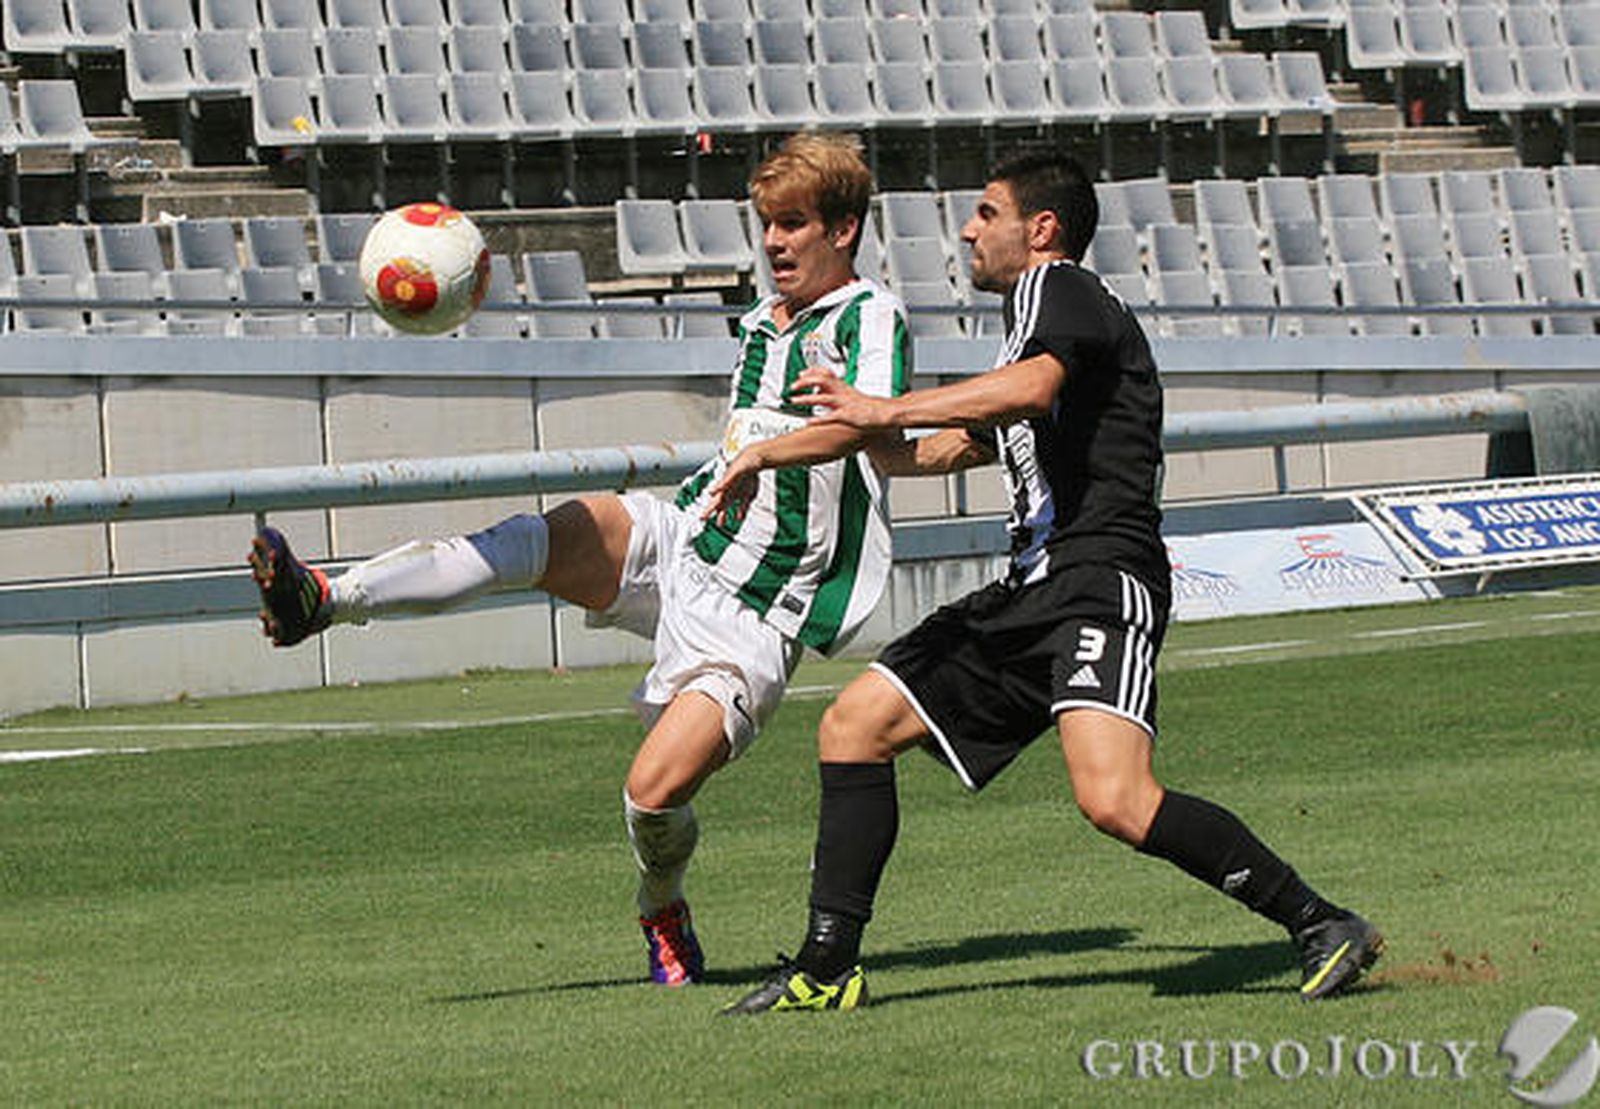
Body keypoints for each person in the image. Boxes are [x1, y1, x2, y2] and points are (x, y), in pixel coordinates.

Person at [704, 152, 1382, 1014]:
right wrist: (803, 436)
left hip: (1100, 579)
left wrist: (888, 407)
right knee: (854, 725)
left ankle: (1321, 921)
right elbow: (939, 450)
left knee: (1115, 797)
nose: (967, 229)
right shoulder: (1039, 331)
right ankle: (825, 966)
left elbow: (1027, 388)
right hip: (1031, 592)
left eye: (987, 212)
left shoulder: (1056, 289)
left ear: (1042, 229)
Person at [249, 132, 912, 987]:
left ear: (845, 229)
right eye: (767, 226)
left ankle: (661, 905)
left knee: (652, 795)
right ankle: (326, 598)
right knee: (532, 540)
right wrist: (740, 464)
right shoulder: (761, 321)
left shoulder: (868, 318)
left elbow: (879, 423)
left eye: (793, 225)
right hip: (686, 535)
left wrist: (770, 457)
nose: (775, 243)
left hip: (757, 610)